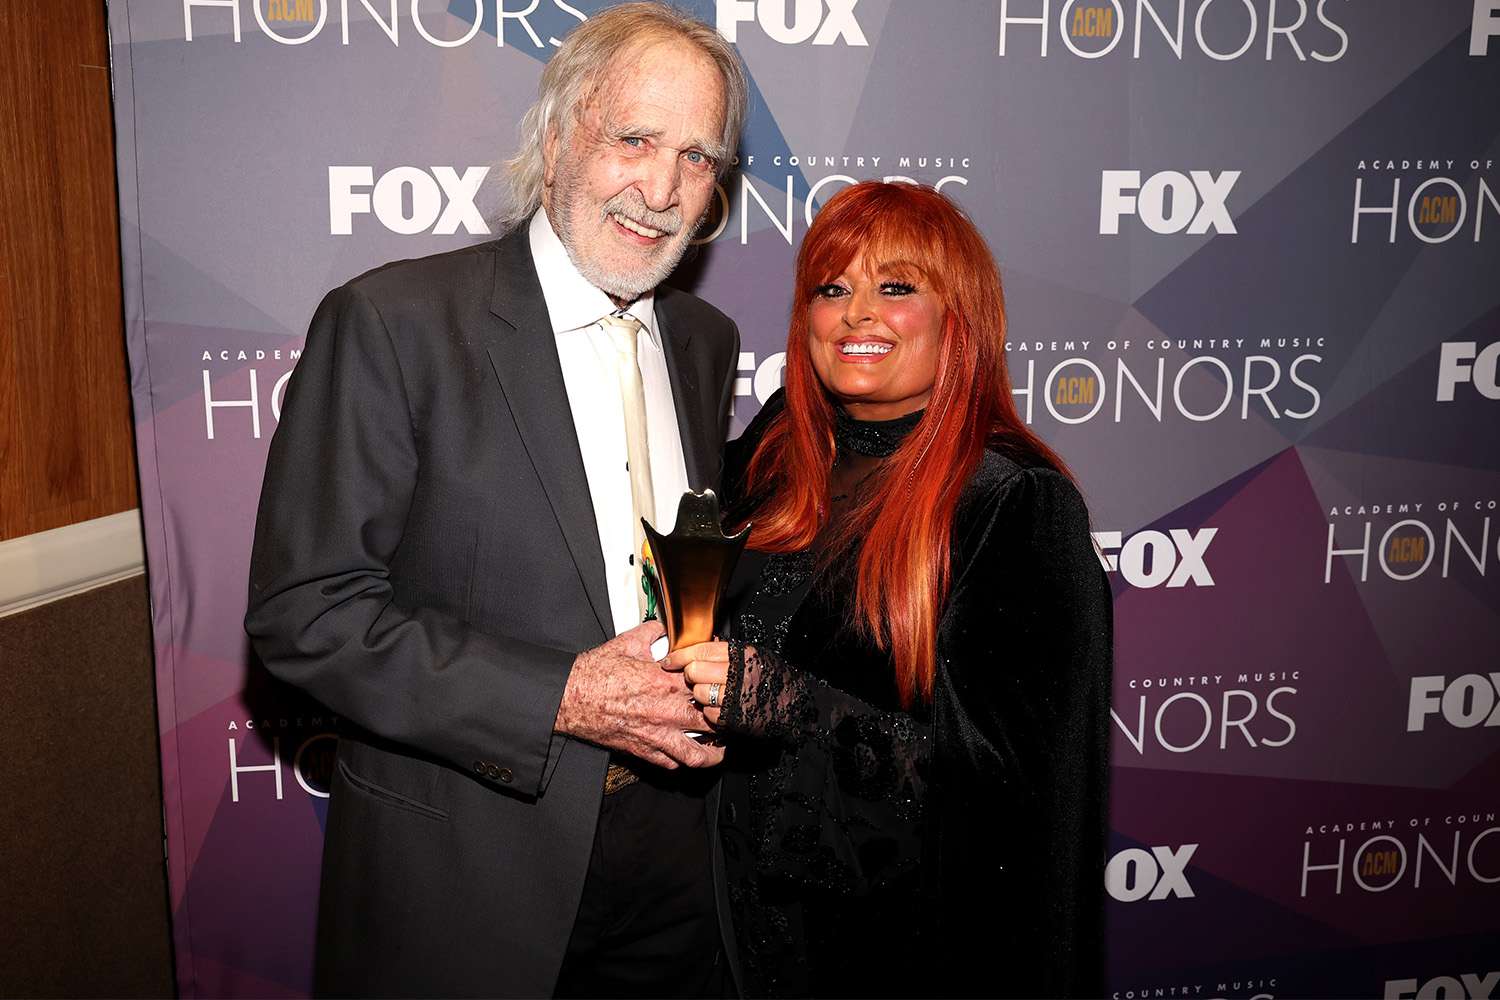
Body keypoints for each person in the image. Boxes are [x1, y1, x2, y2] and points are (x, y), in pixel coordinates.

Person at [245, 5, 749, 996]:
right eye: (635, 139)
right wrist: (561, 693)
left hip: (679, 857)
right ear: (560, 137)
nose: (661, 188)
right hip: (471, 878)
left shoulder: (703, 339)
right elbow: (305, 614)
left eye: (697, 157)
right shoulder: (394, 324)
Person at [665, 181, 1113, 998]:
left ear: (957, 317)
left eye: (896, 287)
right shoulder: (772, 457)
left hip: (893, 953)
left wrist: (782, 701)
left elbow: (1013, 795)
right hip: (732, 930)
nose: (857, 314)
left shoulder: (1012, 504)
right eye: (832, 289)